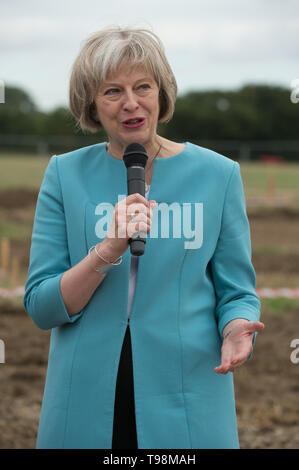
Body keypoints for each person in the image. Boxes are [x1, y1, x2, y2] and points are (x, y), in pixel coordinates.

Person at [23, 26, 264, 450]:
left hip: (188, 397)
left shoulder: (218, 175)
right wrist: (107, 248)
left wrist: (237, 326)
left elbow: (237, 291)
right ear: (92, 106)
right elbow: (43, 307)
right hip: (84, 403)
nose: (131, 103)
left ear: (162, 94)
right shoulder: (64, 175)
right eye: (112, 91)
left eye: (143, 87)